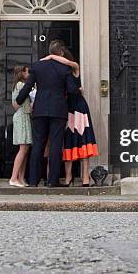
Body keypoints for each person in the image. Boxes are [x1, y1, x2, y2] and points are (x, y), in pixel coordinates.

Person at [14, 39, 80, 187]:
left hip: (40, 109)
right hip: (58, 110)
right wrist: (77, 90)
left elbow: (28, 86)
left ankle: (33, 180)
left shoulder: (38, 66)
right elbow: (71, 90)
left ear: (50, 52)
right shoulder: (65, 68)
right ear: (61, 53)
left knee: (38, 145)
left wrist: (19, 100)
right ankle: (52, 181)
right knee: (56, 145)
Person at [41, 49, 98, 186]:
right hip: (66, 108)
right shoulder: (60, 73)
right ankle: (68, 176)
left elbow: (69, 63)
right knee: (68, 141)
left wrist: (50, 56)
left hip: (79, 107)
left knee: (83, 140)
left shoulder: (74, 68)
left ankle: (85, 177)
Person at [9, 65, 32, 187]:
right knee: (23, 149)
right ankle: (13, 178)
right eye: (27, 72)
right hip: (22, 116)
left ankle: (21, 178)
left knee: (25, 149)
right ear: (22, 73)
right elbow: (16, 105)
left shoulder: (18, 85)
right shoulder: (21, 86)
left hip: (24, 116)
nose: (29, 74)